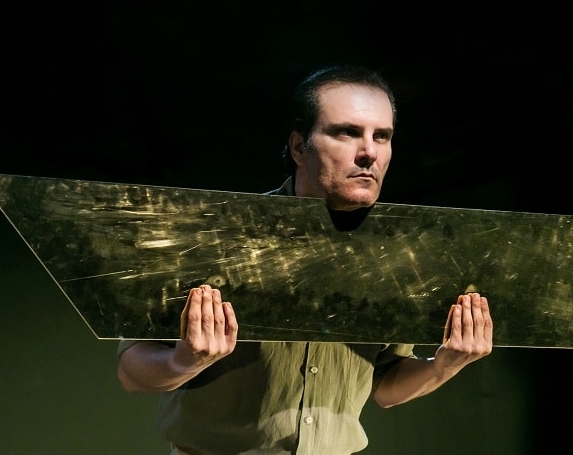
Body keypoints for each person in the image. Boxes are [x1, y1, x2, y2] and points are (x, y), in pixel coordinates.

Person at [117, 64, 493, 455]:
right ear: (299, 147)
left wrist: (444, 365)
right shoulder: (217, 236)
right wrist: (184, 361)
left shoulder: (396, 256)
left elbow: (385, 385)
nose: (369, 152)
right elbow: (132, 371)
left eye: (381, 136)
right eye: (347, 132)